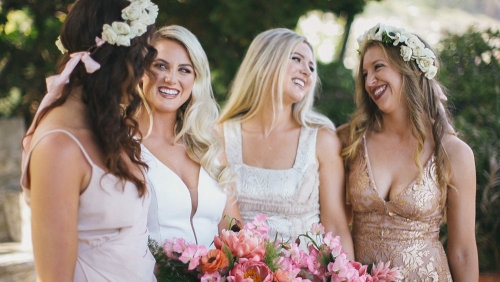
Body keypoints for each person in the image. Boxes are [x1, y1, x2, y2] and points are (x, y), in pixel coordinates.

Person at [20, 0, 159, 280]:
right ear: (116, 60)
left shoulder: (106, 128)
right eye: (140, 62)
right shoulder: (59, 148)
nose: (144, 75)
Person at [338, 23, 479, 281]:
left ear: (411, 69)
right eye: (364, 73)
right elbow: (334, 221)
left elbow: (464, 252)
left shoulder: (454, 153)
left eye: (378, 67)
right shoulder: (351, 140)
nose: (369, 81)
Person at [218, 28, 354, 257]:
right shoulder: (220, 136)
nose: (307, 71)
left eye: (311, 67)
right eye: (296, 59)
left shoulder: (321, 140)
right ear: (264, 62)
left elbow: (336, 227)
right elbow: (224, 222)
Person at [138, 25, 241, 248]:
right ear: (141, 72)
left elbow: (232, 228)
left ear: (196, 79)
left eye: (184, 70)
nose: (170, 78)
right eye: (160, 66)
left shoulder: (209, 142)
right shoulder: (123, 143)